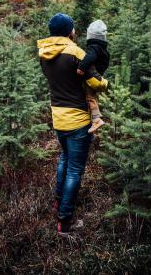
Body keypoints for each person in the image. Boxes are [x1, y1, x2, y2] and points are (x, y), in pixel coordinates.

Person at [37, 13, 108, 235]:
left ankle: (59, 203)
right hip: (77, 118)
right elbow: (96, 82)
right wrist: (105, 82)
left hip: (58, 116)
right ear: (70, 31)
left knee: (64, 159)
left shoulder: (44, 53)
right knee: (75, 170)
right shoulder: (76, 52)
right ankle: (65, 221)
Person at [77, 19, 110, 133]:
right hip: (98, 75)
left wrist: (81, 67)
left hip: (93, 76)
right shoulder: (102, 48)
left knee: (90, 97)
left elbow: (90, 57)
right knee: (92, 96)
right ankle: (94, 117)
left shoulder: (94, 47)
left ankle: (96, 119)